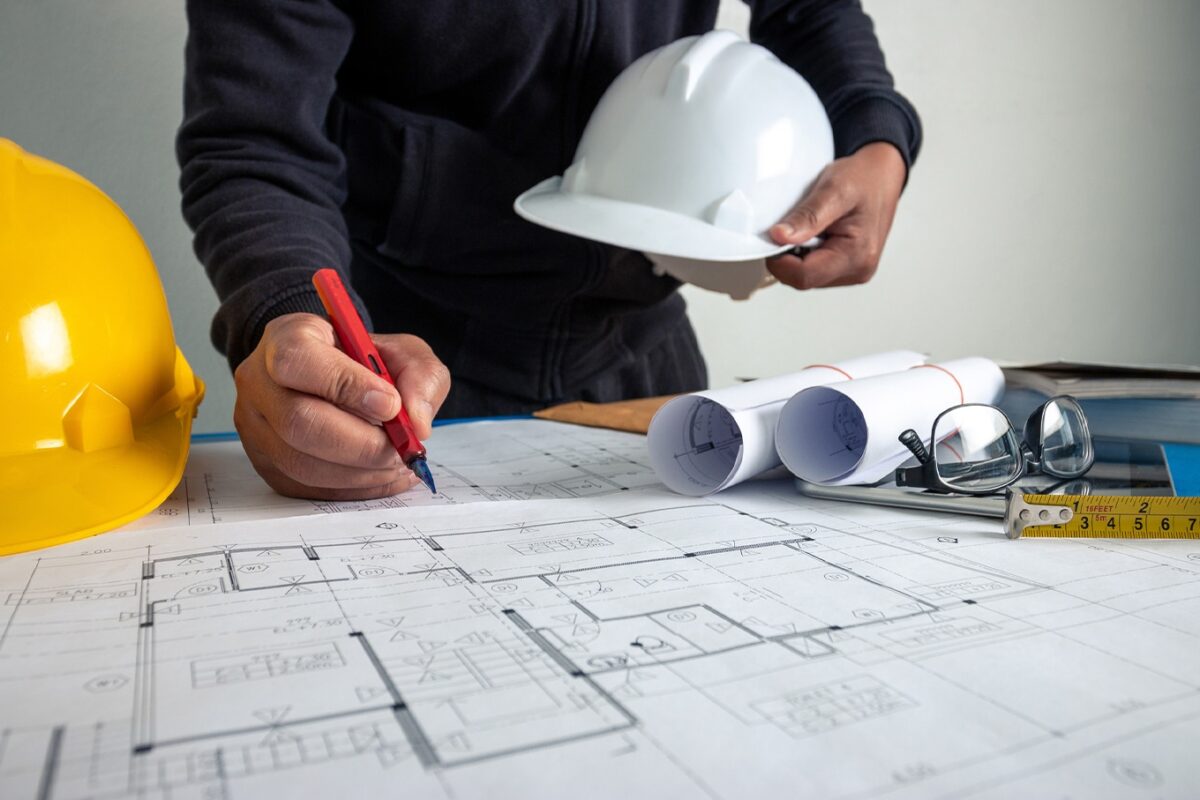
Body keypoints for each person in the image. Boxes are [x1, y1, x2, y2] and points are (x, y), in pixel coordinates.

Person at [176, 1, 922, 501]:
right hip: (407, 361)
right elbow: (256, 136)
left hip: (646, 362)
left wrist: (876, 133)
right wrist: (291, 311)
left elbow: (813, 11)